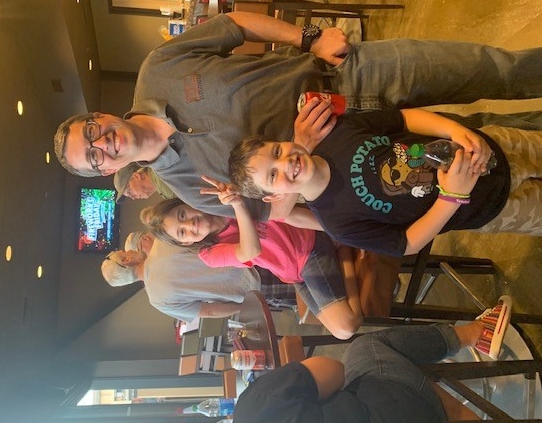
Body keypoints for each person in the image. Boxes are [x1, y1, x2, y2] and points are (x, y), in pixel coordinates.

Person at [53, 11, 542, 221]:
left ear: (99, 115)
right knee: (484, 139)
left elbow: (233, 24)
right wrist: (302, 150)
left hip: (347, 73)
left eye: (91, 131)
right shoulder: (188, 189)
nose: (102, 143)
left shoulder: (157, 68)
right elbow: (276, 213)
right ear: (108, 170)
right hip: (362, 150)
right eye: (93, 156)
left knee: (487, 67)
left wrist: (308, 38)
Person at [229, 107, 542, 257]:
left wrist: (455, 130)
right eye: (273, 176)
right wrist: (451, 196)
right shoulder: (338, 224)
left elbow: (402, 119)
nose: (286, 163)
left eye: (277, 151)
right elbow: (406, 243)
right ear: (273, 196)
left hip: (490, 147)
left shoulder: (340, 133)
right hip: (491, 208)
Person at [141, 176, 362, 339]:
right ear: (185, 243)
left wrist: (235, 200)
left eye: (182, 214)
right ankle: (343, 250)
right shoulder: (209, 253)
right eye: (182, 232)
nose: (190, 224)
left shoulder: (221, 202)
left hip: (307, 246)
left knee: (345, 328)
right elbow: (250, 251)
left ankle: (342, 245)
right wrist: (237, 205)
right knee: (334, 327)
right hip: (294, 274)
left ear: (187, 203)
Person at [233, 295, 513, 423]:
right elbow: (335, 371)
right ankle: (478, 332)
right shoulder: (252, 409)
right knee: (366, 347)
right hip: (396, 409)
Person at [101, 231, 296, 322]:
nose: (130, 251)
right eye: (124, 252)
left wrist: (243, 305)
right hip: (252, 254)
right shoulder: (163, 240)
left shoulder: (158, 301)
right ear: (126, 260)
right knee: (304, 258)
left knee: (305, 295)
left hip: (255, 290)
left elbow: (209, 311)